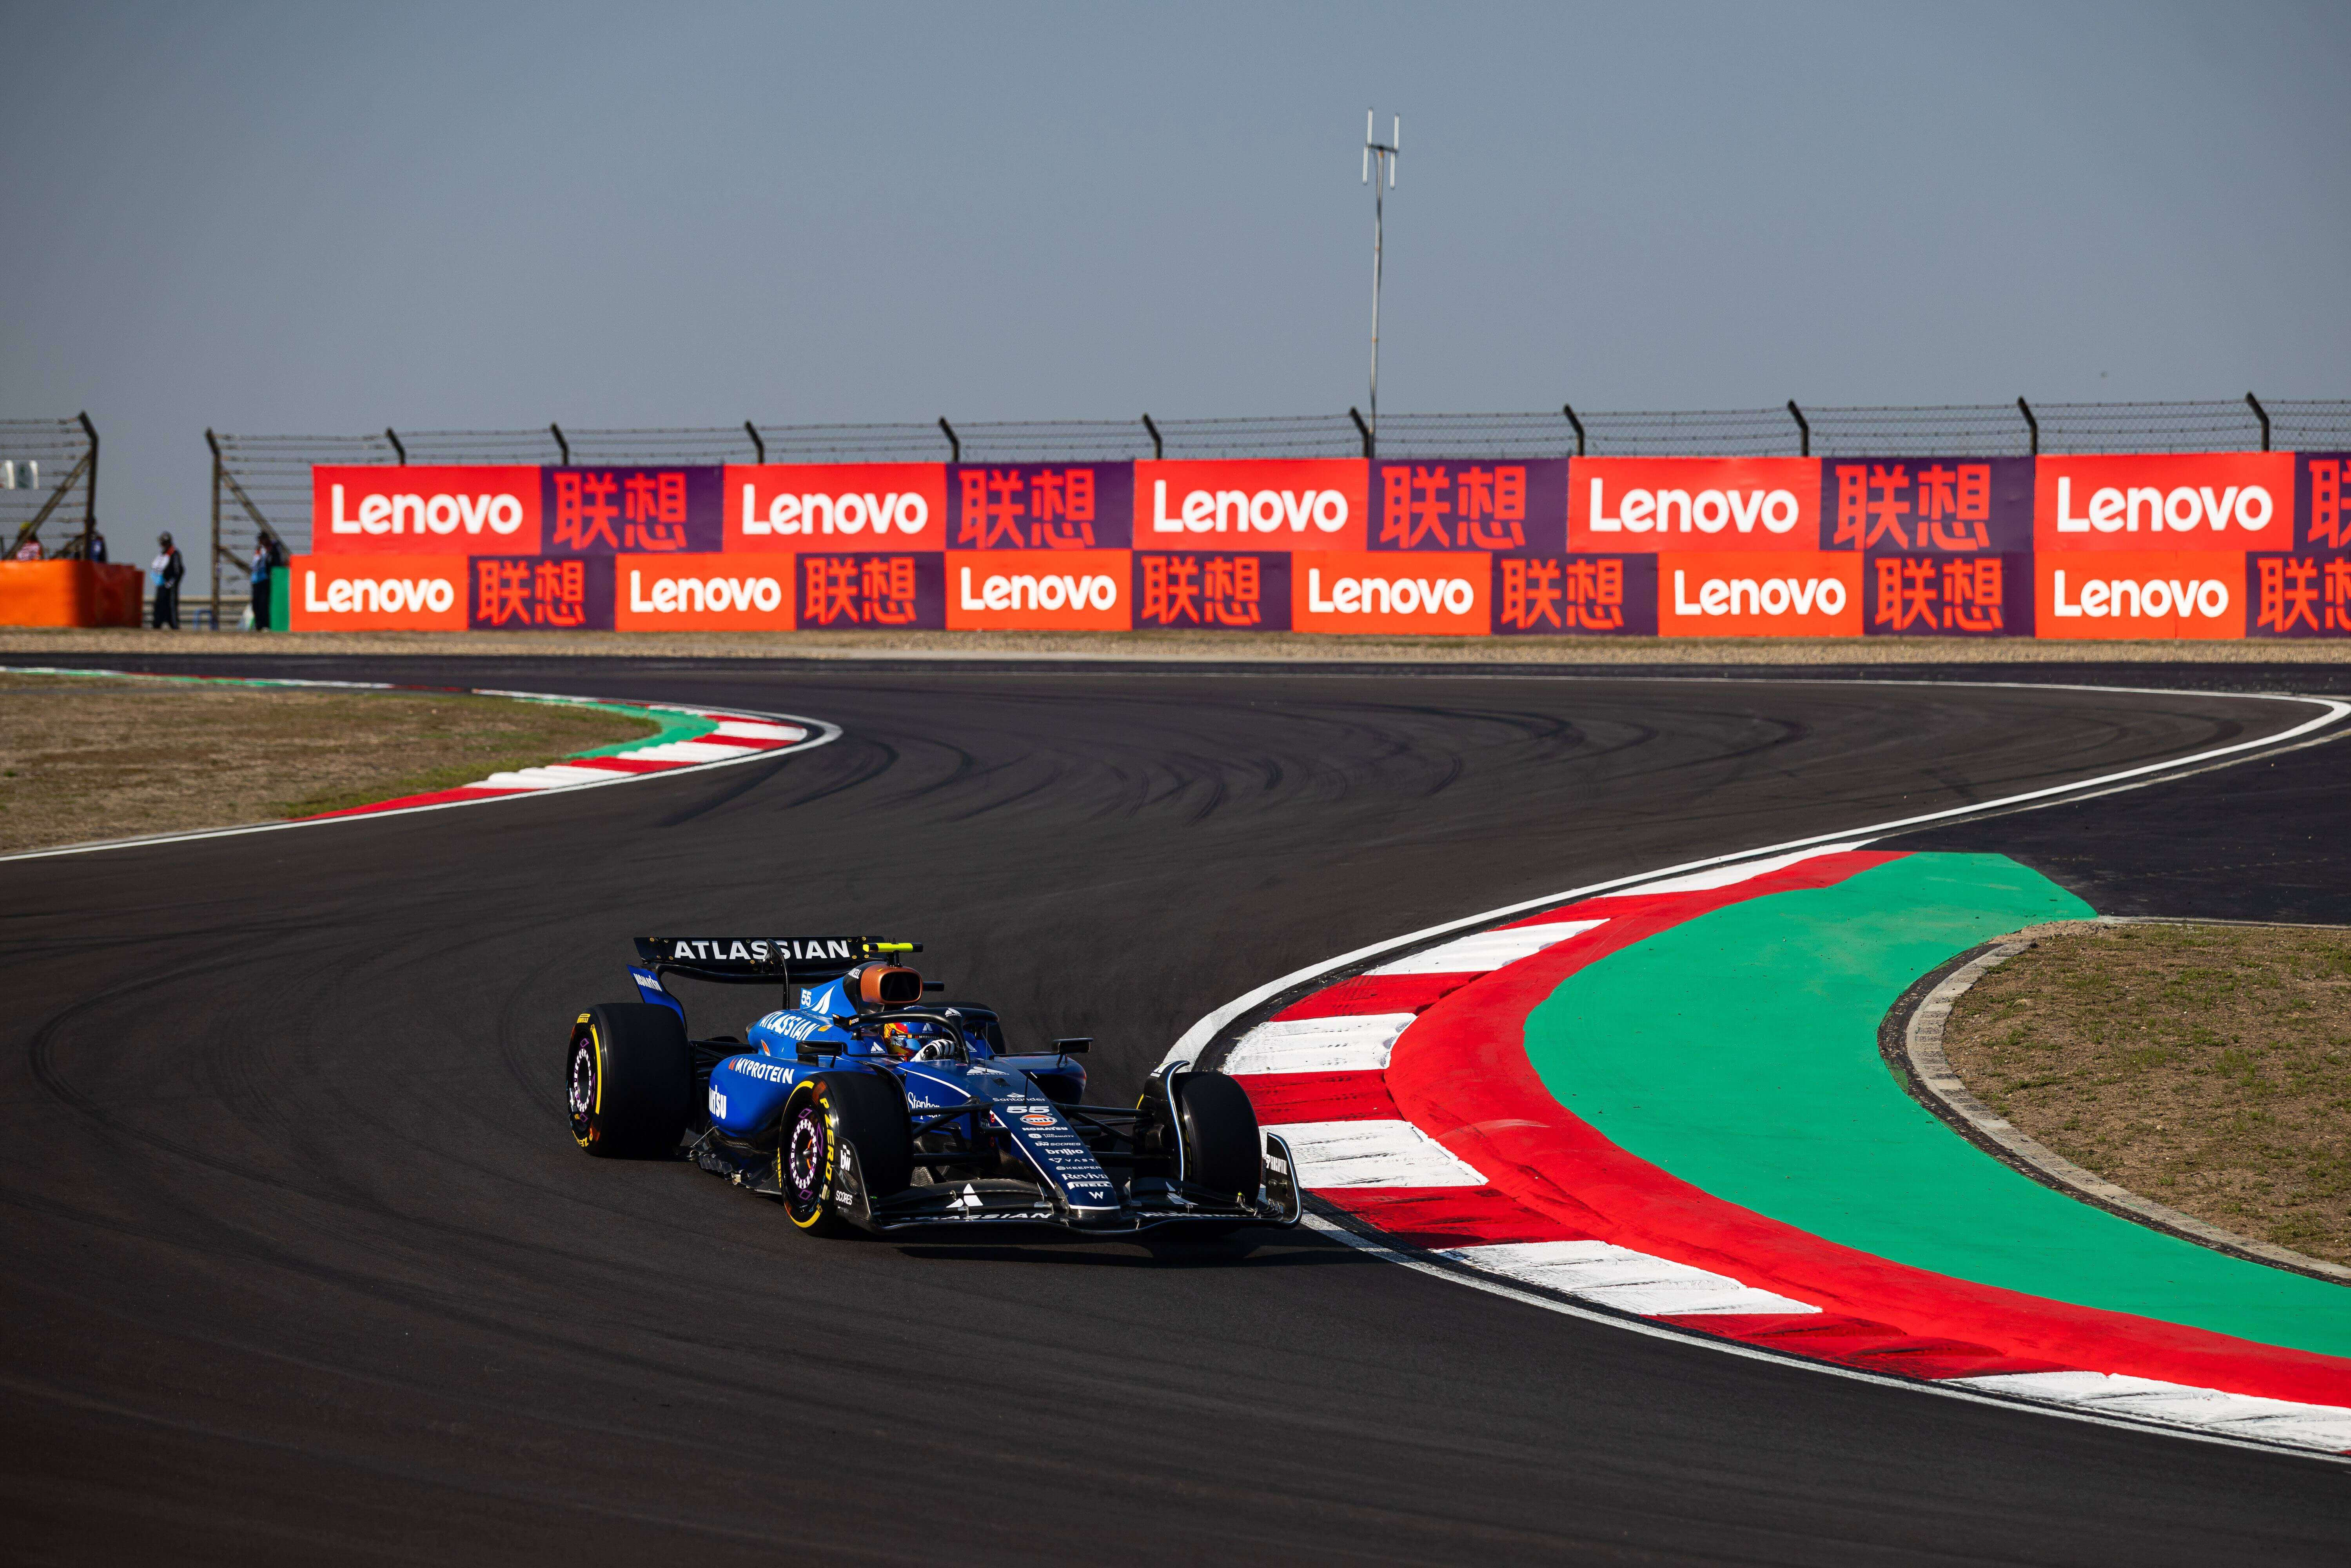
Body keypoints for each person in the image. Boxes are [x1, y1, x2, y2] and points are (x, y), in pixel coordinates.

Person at [151, 532, 184, 629]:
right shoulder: (162, 555)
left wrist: (171, 583)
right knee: (159, 606)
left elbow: (179, 572)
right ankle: (157, 624)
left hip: (171, 588)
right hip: (161, 586)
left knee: (172, 606)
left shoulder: (175, 554)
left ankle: (174, 626)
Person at [249, 537, 282, 631]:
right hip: (256, 581)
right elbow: (254, 566)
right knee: (256, 604)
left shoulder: (270, 552)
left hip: (264, 580)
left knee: (264, 603)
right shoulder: (259, 553)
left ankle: (265, 625)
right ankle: (258, 625)